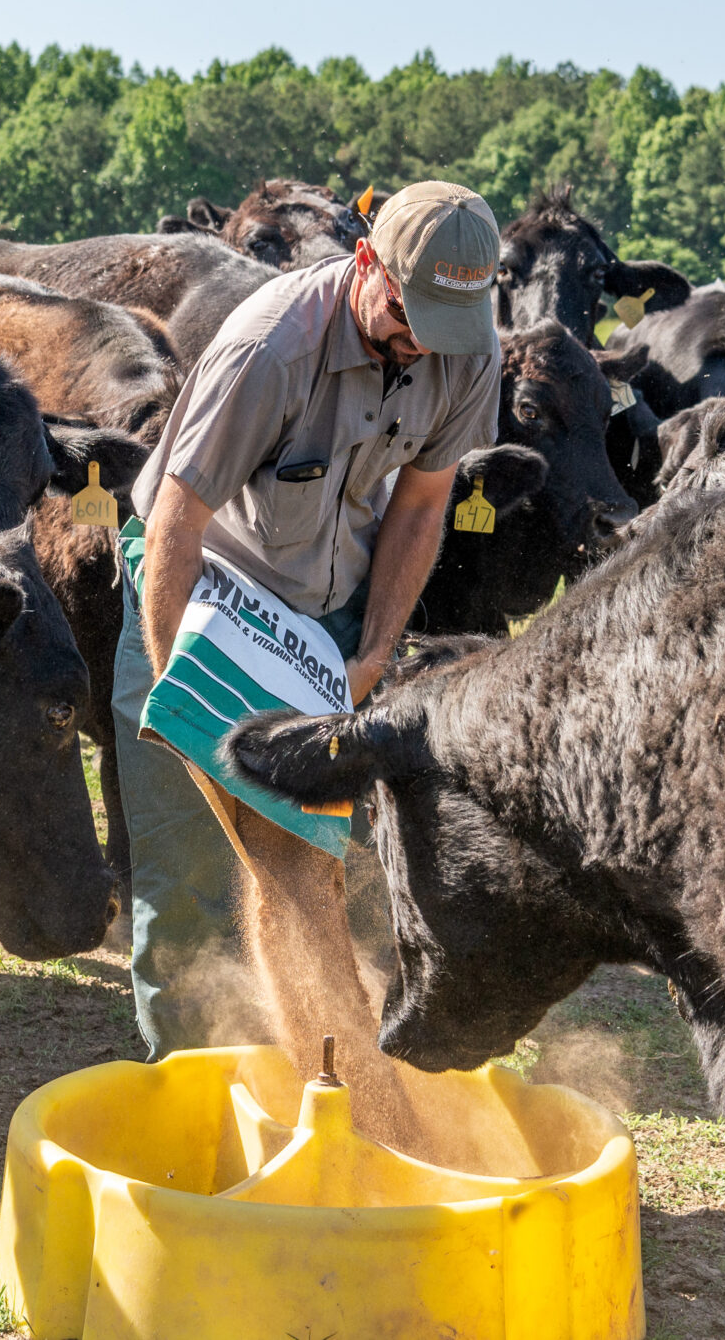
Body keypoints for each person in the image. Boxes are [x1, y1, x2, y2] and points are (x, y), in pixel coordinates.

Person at [115, 180, 503, 1056]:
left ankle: (327, 1084)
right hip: (199, 586)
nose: (423, 345)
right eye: (411, 317)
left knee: (311, 861)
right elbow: (177, 521)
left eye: (447, 326)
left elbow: (419, 507)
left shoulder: (468, 353)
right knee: (186, 874)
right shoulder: (271, 350)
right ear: (367, 261)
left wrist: (370, 651)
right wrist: (179, 684)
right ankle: (189, 1099)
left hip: (324, 615)